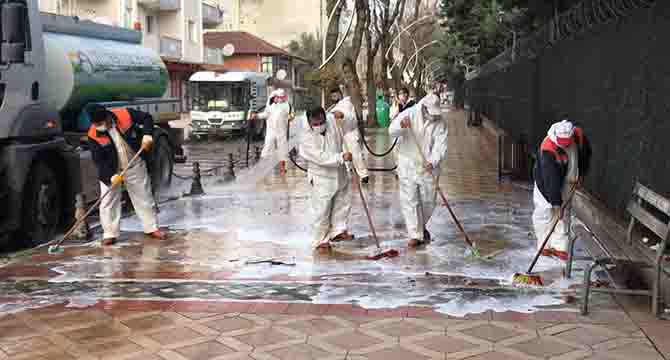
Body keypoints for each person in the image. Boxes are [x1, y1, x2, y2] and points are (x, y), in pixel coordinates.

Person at [87, 104, 166, 246]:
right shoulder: (93, 134)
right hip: (112, 170)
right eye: (96, 124)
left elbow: (147, 118)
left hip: (134, 162)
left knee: (143, 195)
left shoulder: (125, 114)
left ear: (107, 117)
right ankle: (110, 233)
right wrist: (110, 176)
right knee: (108, 202)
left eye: (100, 123)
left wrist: (147, 134)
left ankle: (151, 227)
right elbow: (99, 161)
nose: (98, 126)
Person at [389, 94, 448, 248]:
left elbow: (441, 145)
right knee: (410, 200)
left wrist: (433, 161)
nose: (432, 116)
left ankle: (420, 226)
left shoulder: (440, 123)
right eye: (430, 113)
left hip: (428, 166)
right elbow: (391, 131)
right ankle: (415, 235)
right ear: (423, 108)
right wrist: (401, 125)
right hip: (408, 163)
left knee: (429, 200)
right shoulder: (409, 114)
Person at [533, 120, 591, 260]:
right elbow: (551, 180)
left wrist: (581, 174)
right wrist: (556, 204)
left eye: (568, 142)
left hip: (568, 178)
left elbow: (585, 155)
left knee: (563, 215)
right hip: (545, 183)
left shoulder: (579, 136)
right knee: (544, 212)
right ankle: (544, 244)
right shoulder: (547, 149)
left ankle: (560, 246)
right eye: (562, 143)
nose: (566, 145)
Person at [300, 106, 355, 252]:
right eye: (315, 124)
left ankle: (338, 231)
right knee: (322, 209)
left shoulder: (332, 120)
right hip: (321, 175)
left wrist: (344, 116)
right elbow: (319, 157)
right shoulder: (305, 135)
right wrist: (340, 157)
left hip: (340, 171)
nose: (319, 126)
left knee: (342, 202)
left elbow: (352, 124)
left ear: (325, 117)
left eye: (321, 122)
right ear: (309, 121)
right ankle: (321, 240)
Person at [328, 87, 369, 183]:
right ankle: (348, 172)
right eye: (332, 96)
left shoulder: (346, 103)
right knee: (343, 156)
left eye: (335, 95)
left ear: (340, 94)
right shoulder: (335, 106)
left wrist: (342, 115)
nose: (334, 97)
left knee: (356, 155)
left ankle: (363, 175)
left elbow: (350, 118)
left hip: (350, 133)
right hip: (340, 135)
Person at [251, 89, 291, 175]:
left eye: (281, 97)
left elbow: (290, 115)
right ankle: (261, 166)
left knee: (283, 150)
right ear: (274, 98)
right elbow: (265, 114)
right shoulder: (270, 107)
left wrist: (291, 116)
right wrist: (256, 116)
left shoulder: (286, 106)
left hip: (281, 131)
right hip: (271, 131)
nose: (279, 99)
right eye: (277, 97)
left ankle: (282, 169)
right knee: (267, 148)